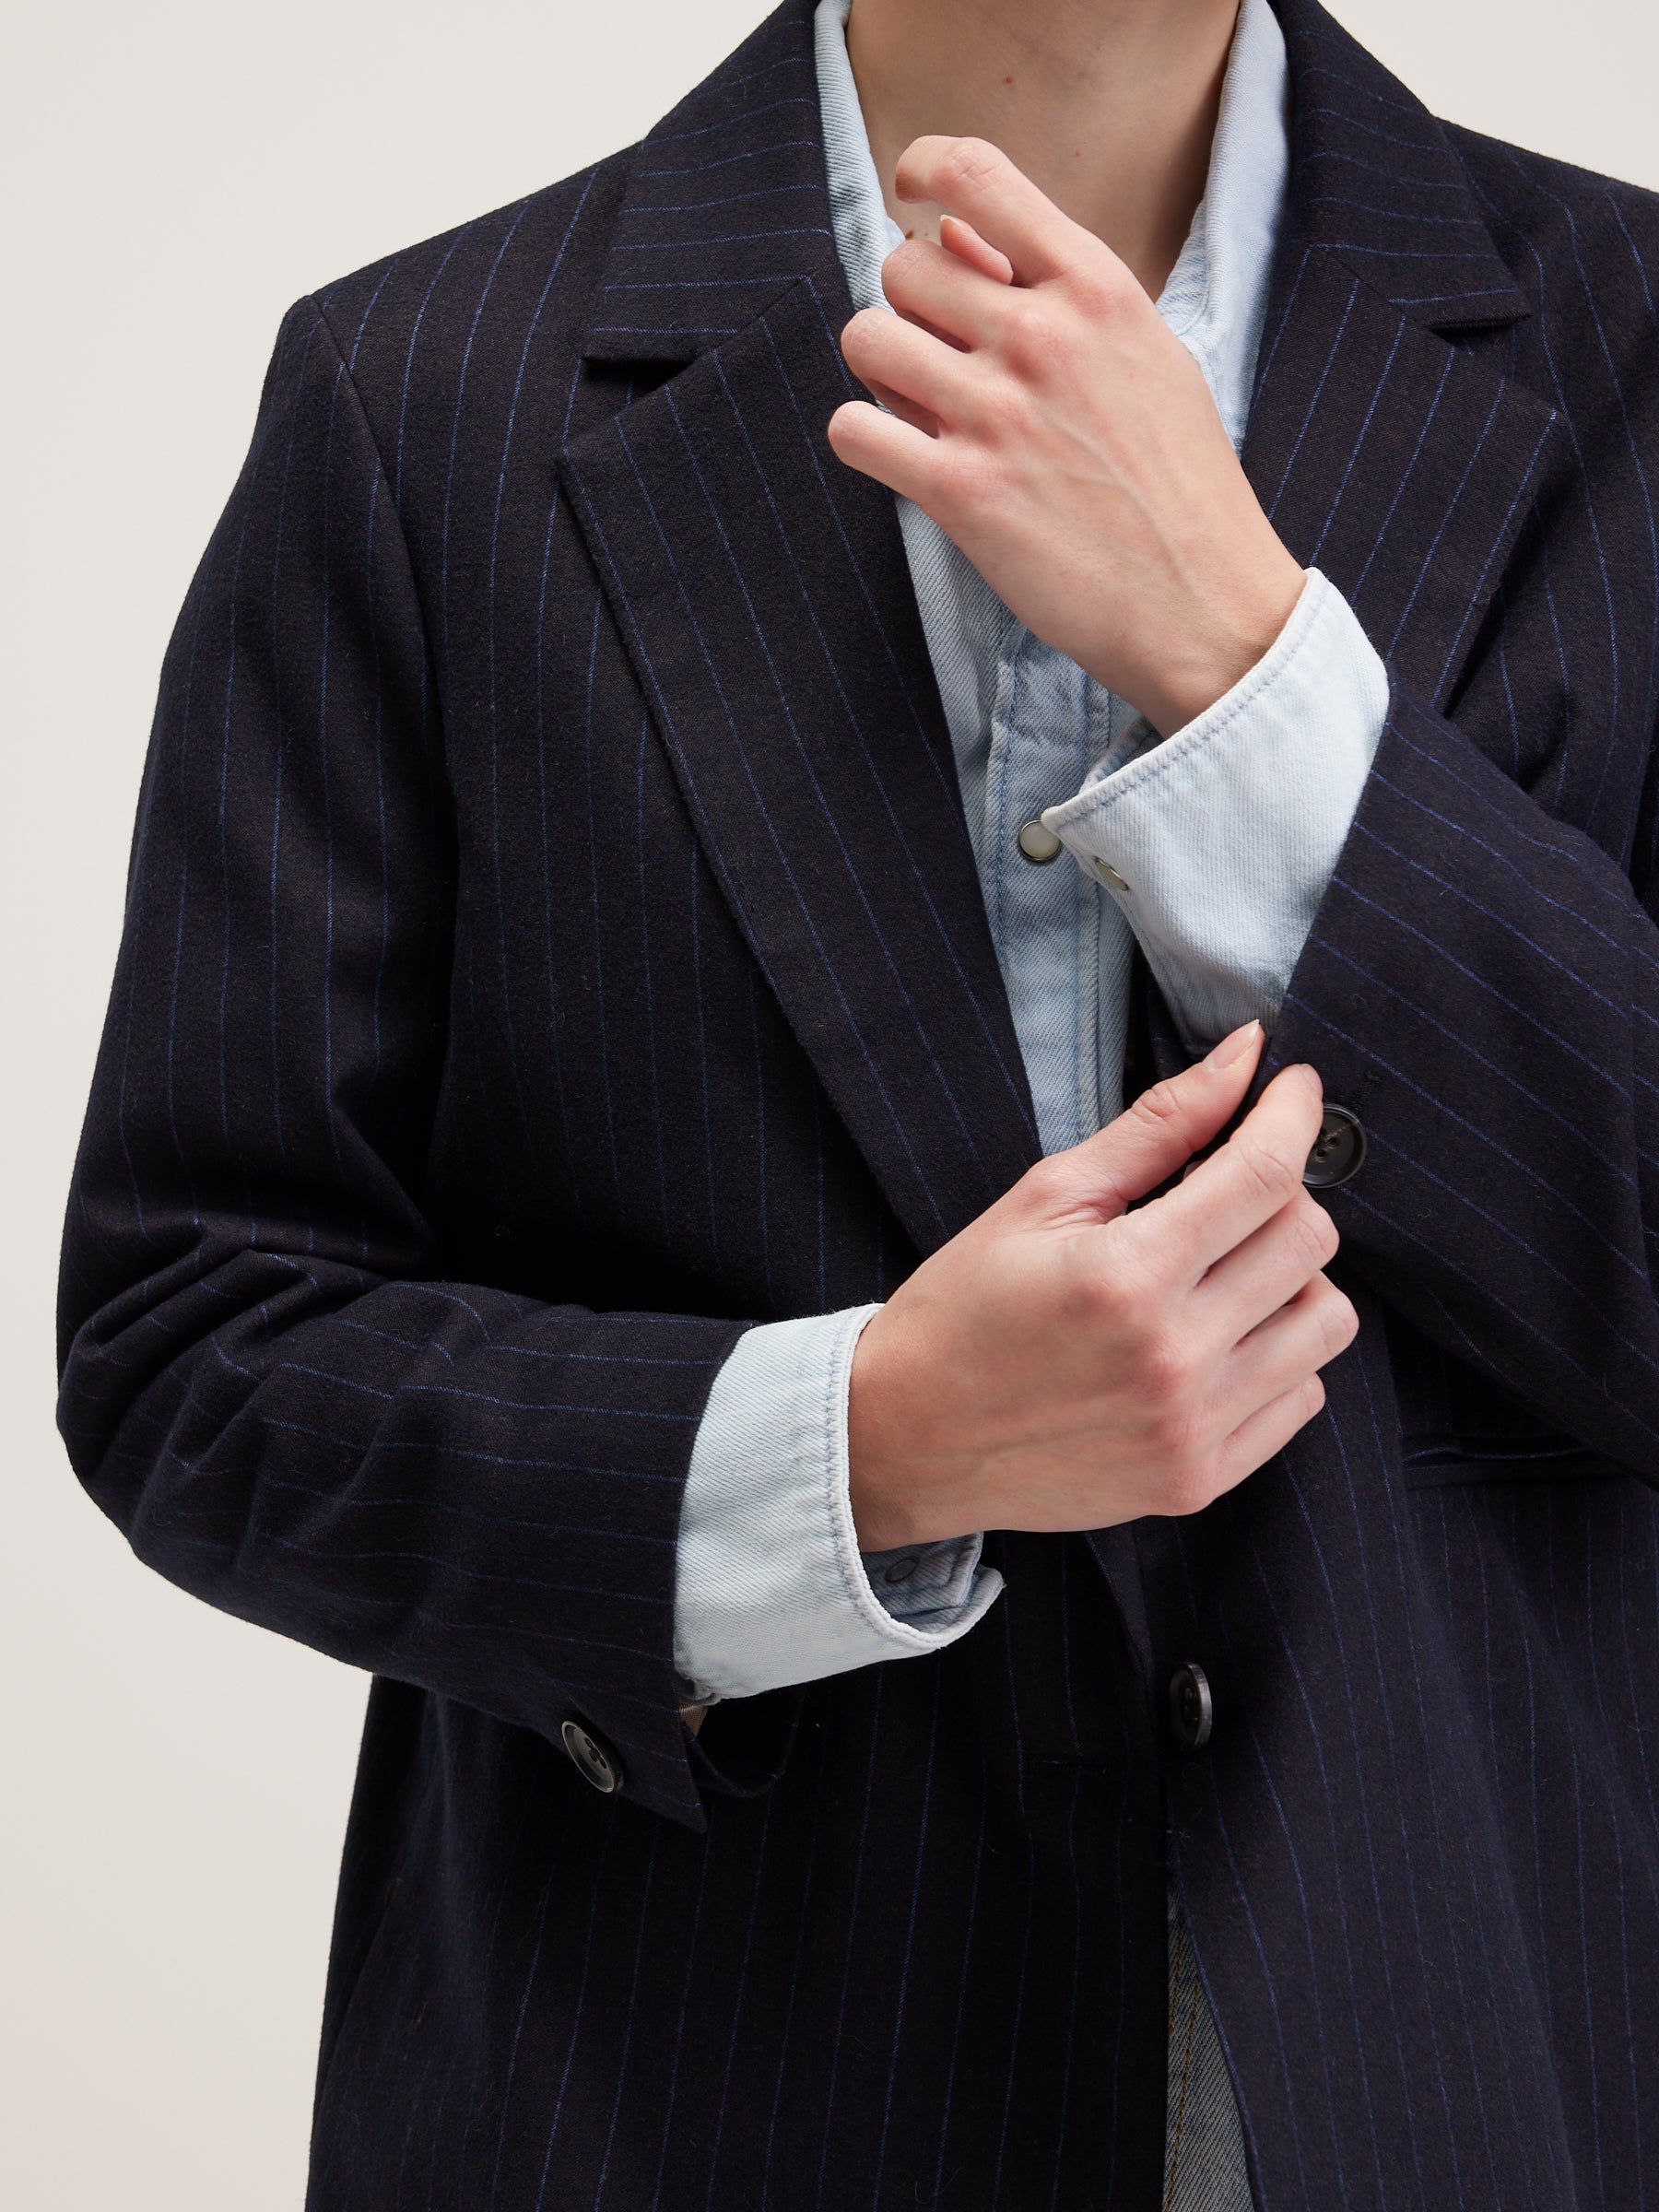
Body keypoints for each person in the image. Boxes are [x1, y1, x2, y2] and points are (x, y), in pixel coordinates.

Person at [55, 0, 1659, 2202]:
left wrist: (1248, 673)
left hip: (1475, 2083)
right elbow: (194, 1346)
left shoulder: (1636, 352)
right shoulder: (412, 397)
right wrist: (864, 1447)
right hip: (675, 2100)